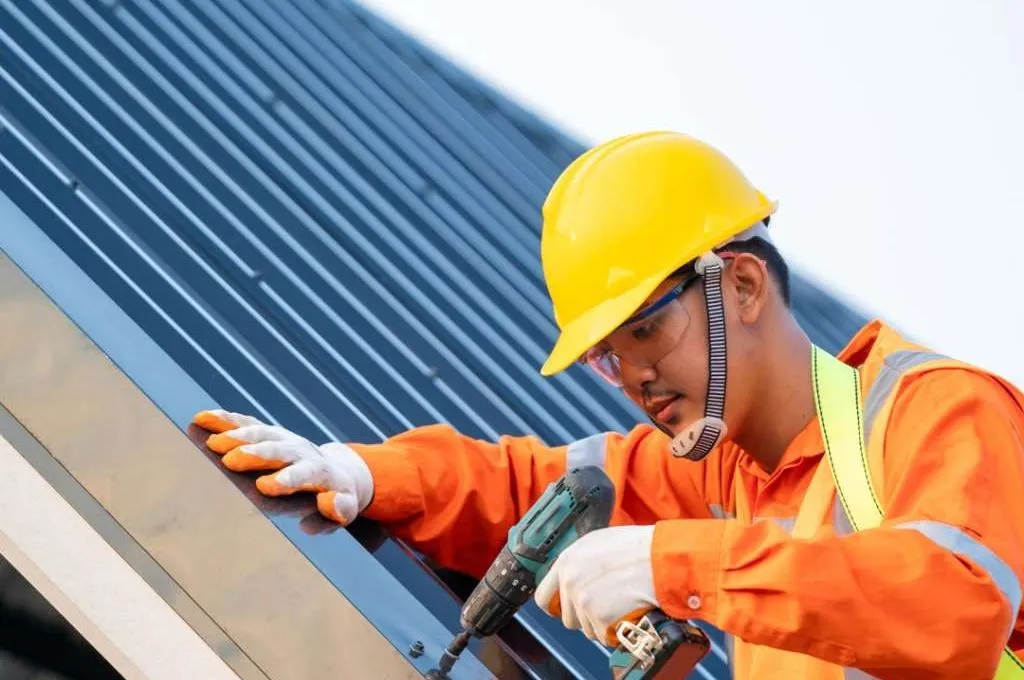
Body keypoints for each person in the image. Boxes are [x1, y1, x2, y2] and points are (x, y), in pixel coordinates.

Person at [192, 131, 1024, 679]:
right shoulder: (726, 475)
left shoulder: (936, 411)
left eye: (647, 331)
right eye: (607, 359)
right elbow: (532, 489)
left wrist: (673, 566)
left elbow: (951, 604)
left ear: (740, 283)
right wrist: (360, 471)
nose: (636, 380)